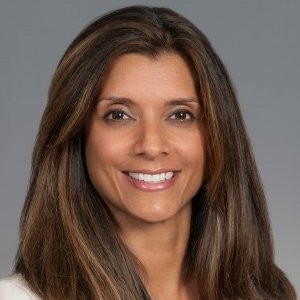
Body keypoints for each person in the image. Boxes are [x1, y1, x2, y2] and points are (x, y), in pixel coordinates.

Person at [0, 5, 296, 300]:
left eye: (180, 115)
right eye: (119, 115)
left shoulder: (269, 294)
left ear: (219, 136)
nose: (151, 146)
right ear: (77, 134)